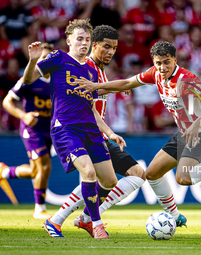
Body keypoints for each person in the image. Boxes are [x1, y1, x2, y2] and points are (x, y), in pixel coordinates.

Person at [75, 41, 201, 225]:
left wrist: (196, 125)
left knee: (183, 177)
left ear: (175, 60)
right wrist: (95, 87)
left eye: (166, 62)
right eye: (158, 63)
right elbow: (127, 83)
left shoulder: (185, 80)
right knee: (152, 173)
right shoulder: (155, 73)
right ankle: (176, 217)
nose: (162, 67)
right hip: (186, 132)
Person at [22, 19, 124, 239]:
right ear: (69, 40)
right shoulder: (58, 58)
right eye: (79, 39)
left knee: (110, 181)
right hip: (66, 128)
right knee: (88, 172)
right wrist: (32, 61)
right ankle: (96, 224)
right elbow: (28, 80)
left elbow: (93, 110)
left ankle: (63, 221)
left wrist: (110, 133)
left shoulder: (91, 71)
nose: (84, 43)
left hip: (91, 131)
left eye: (87, 40)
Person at [45, 25, 145, 239]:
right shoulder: (85, 65)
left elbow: (93, 104)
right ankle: (81, 219)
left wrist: (110, 132)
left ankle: (75, 219)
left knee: (117, 178)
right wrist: (116, 86)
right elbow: (87, 97)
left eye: (114, 48)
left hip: (95, 133)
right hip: (81, 131)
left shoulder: (98, 70)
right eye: (106, 47)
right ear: (94, 45)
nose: (110, 52)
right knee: (96, 175)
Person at [0, 43, 54, 220]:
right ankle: (39, 209)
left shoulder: (58, 80)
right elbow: (7, 102)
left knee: (36, 170)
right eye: (42, 59)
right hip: (31, 129)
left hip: (48, 129)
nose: (44, 62)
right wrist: (23, 116)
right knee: (45, 166)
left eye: (48, 58)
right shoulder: (29, 79)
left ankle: (4, 172)